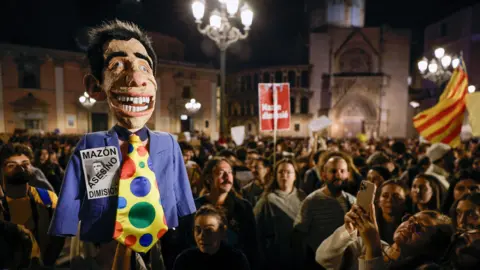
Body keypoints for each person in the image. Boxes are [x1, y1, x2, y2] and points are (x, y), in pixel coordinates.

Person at [48, 20, 196, 269]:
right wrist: (46, 259)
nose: (136, 77)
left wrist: (190, 246)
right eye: (117, 65)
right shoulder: (92, 145)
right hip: (106, 248)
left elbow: (184, 202)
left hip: (161, 247)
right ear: (95, 86)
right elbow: (69, 204)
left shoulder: (169, 143)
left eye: (144, 67)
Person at [0, 143, 64, 266]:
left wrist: (49, 261)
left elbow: (61, 232)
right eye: (12, 165)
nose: (21, 168)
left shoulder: (47, 198)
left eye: (25, 164)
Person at [254, 159, 306, 270]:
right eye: (281, 172)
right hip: (276, 257)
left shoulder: (303, 198)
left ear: (295, 176)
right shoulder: (267, 200)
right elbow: (257, 231)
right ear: (276, 176)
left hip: (299, 255)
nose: (284, 175)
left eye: (288, 172)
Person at [173, 205, 250, 270]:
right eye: (198, 230)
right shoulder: (185, 260)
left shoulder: (236, 260)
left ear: (222, 231)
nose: (201, 236)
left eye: (209, 230)